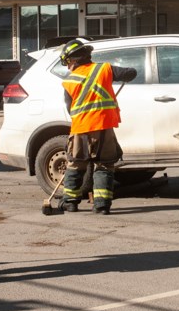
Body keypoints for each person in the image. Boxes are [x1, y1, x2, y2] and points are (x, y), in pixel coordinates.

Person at [57, 37, 137, 214]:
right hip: (103, 126)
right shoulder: (104, 69)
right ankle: (101, 206)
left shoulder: (69, 81)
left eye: (67, 62)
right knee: (104, 165)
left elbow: (70, 108)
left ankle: (70, 202)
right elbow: (131, 73)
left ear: (73, 60)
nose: (68, 66)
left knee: (76, 165)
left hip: (81, 129)